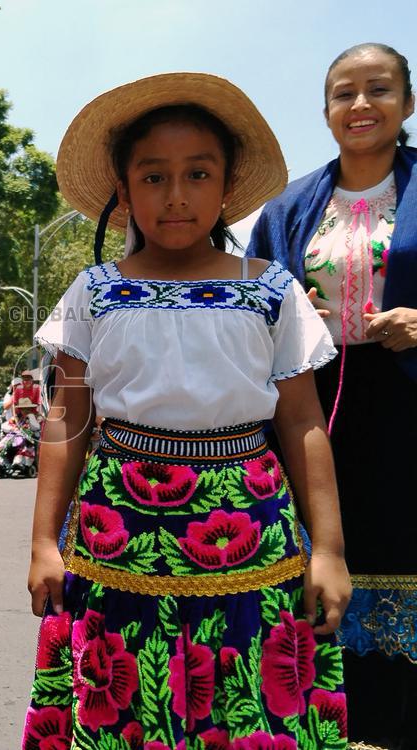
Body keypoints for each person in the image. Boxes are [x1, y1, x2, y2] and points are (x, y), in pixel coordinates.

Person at [23, 73, 351, 748]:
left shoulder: (270, 290)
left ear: (227, 186)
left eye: (198, 174)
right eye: (153, 177)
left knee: (245, 710)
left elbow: (302, 423)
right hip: (115, 534)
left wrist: (329, 550)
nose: (176, 196)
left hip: (252, 534)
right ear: (123, 190)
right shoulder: (95, 292)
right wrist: (41, 543)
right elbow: (67, 420)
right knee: (122, 706)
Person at [248, 42, 417, 749]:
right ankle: (324, 727)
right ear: (324, 112)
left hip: (408, 410)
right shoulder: (288, 209)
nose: (360, 105)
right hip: (318, 411)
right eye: (344, 93)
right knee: (318, 565)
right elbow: (249, 306)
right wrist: (290, 323)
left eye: (378, 89)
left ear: (406, 104)